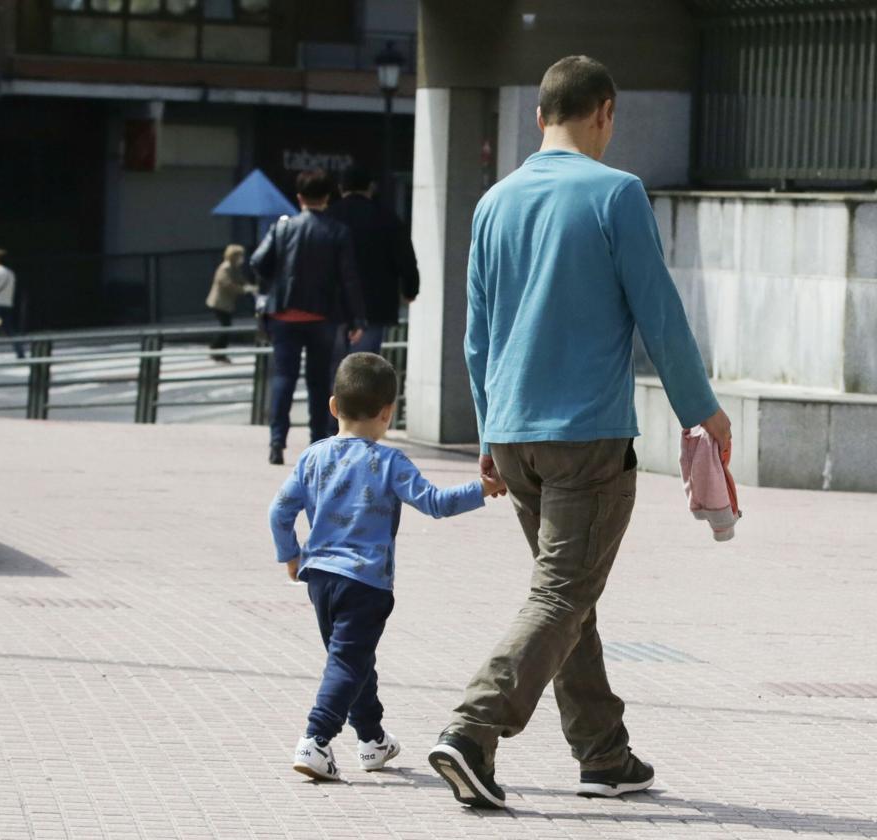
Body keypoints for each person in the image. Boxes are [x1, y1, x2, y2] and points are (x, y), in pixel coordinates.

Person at [427, 55, 733, 810]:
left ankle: (604, 755)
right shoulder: (617, 192)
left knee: (569, 596)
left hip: (515, 434)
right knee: (563, 592)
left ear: (539, 116)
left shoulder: (494, 203)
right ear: (604, 113)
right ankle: (473, 728)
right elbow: (657, 312)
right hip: (587, 434)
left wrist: (488, 435)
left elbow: (478, 335)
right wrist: (703, 410)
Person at [269, 352, 506, 782]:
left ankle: (372, 740)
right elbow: (435, 503)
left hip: (320, 579)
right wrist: (482, 489)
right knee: (346, 661)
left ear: (333, 407)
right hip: (365, 583)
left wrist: (291, 555)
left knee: (355, 659)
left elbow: (279, 511)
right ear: (388, 412)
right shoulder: (390, 463)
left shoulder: (312, 458)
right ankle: (315, 739)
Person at [251, 169, 366, 466]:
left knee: (283, 377)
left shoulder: (282, 227)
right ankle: (316, 443)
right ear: (327, 197)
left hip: (284, 315)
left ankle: (277, 443)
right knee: (319, 381)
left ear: (299, 197)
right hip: (322, 316)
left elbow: (258, 262)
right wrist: (357, 319)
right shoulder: (338, 231)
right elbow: (349, 278)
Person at [326, 164, 419, 356]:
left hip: (332, 304)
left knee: (332, 369)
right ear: (371, 187)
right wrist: (410, 289)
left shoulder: (328, 218)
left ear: (341, 187)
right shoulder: (387, 218)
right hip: (374, 304)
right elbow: (405, 258)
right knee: (362, 368)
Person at [205, 244, 256, 363]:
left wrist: (249, 286)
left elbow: (240, 279)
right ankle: (217, 351)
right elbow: (227, 284)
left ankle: (217, 350)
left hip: (226, 303)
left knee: (226, 327)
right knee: (225, 327)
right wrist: (244, 290)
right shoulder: (225, 268)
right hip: (219, 303)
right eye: (240, 256)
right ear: (234, 256)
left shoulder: (234, 267)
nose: (242, 259)